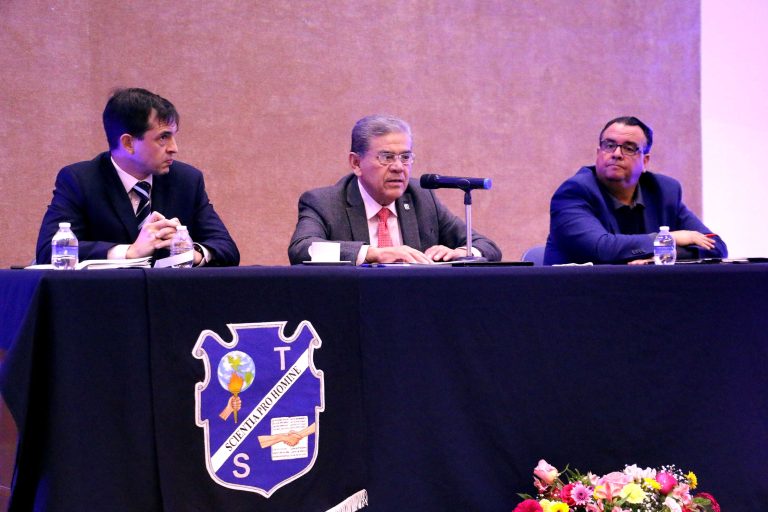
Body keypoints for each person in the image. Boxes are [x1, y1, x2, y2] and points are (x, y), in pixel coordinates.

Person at [35, 88, 239, 266]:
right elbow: (49, 250)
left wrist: (191, 253)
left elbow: (226, 248)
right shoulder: (80, 180)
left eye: (173, 136)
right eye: (163, 137)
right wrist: (130, 252)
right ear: (128, 143)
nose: (174, 149)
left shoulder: (186, 180)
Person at [288, 115, 501, 265]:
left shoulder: (421, 197)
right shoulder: (325, 203)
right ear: (356, 163)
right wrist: (373, 254)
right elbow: (304, 249)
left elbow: (487, 246)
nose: (399, 167)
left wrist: (460, 253)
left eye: (405, 157)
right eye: (387, 157)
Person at [544, 116, 727, 265]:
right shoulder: (574, 193)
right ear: (598, 153)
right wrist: (667, 239)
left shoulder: (663, 192)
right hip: (581, 298)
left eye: (629, 148)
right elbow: (602, 249)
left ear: (645, 161)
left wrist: (657, 257)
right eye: (609, 145)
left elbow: (716, 245)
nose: (616, 154)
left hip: (645, 296)